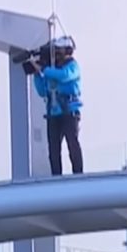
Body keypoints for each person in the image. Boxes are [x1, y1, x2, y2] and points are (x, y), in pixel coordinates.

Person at [30, 36, 83, 175]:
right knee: (53, 150)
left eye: (58, 51)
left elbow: (65, 75)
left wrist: (45, 70)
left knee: (73, 144)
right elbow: (43, 91)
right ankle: (56, 176)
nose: (57, 55)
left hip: (69, 112)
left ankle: (78, 174)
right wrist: (37, 75)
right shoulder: (51, 71)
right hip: (54, 114)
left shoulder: (72, 66)